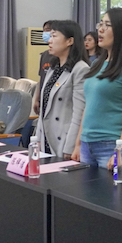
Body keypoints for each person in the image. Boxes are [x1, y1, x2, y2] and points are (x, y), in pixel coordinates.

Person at [73, 8, 122, 169]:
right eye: (100, 24)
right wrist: (78, 143)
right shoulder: (97, 63)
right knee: (84, 187)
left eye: (107, 25)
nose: (101, 29)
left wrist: (121, 149)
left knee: (114, 186)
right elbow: (88, 105)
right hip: (87, 144)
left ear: (121, 31)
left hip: (111, 144)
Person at [36, 20, 90, 159]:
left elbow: (79, 113)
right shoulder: (52, 68)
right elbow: (44, 110)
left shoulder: (80, 69)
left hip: (64, 140)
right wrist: (37, 139)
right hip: (45, 138)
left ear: (69, 41)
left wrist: (71, 147)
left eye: (54, 36)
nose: (50, 40)